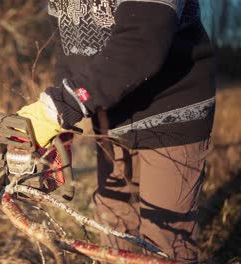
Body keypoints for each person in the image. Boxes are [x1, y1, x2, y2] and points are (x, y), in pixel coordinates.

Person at [16, 0, 215, 262]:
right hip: (111, 112)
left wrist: (63, 105)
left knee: (165, 235)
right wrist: (61, 123)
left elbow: (142, 42)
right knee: (114, 219)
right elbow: (68, 51)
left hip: (172, 109)